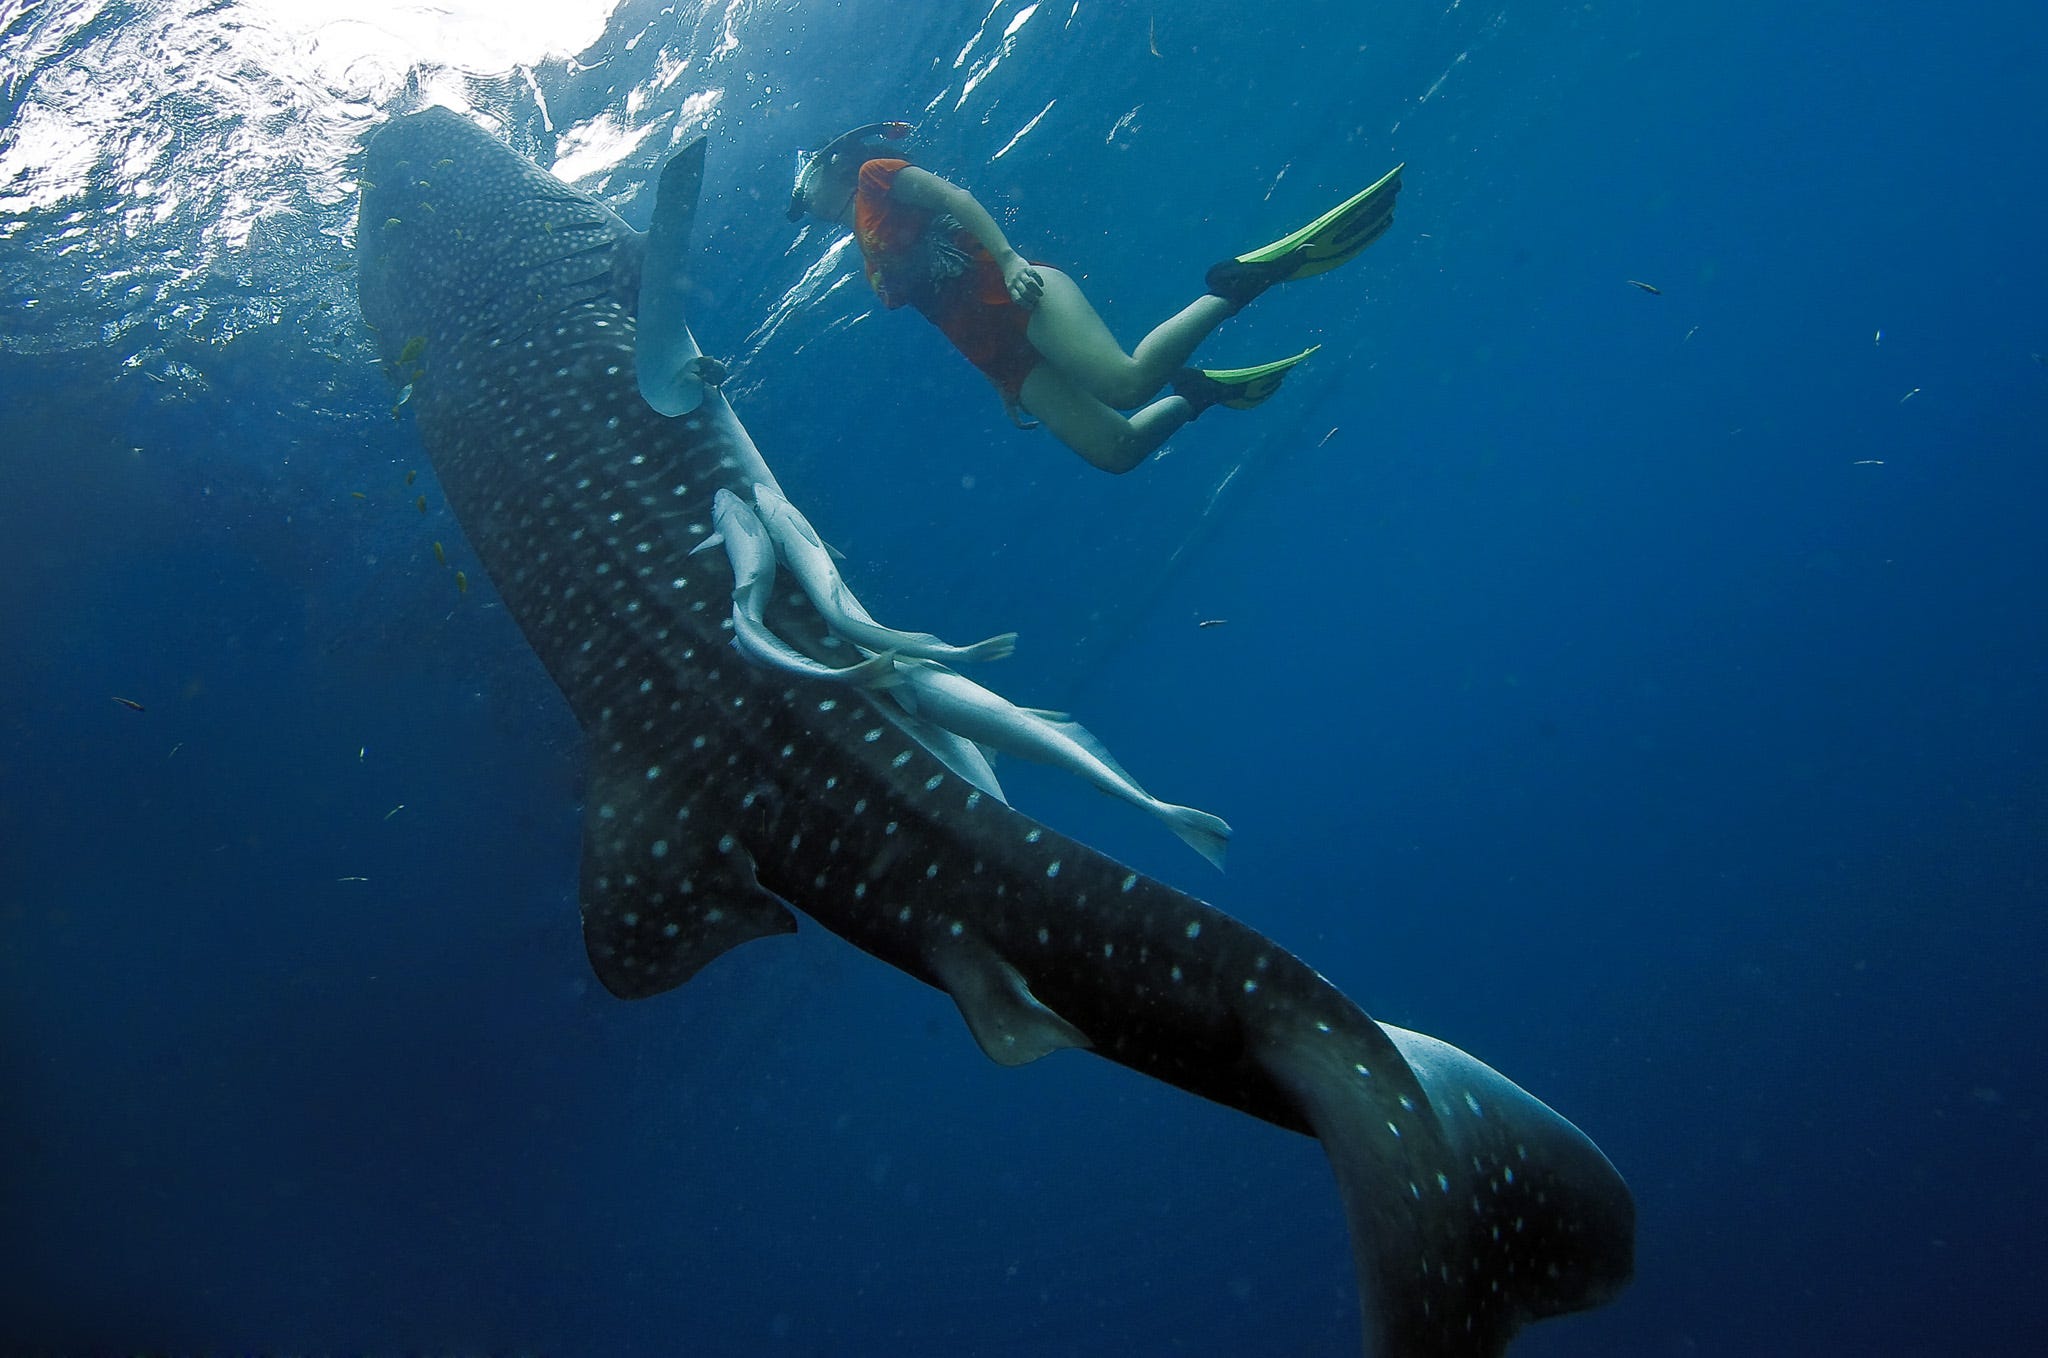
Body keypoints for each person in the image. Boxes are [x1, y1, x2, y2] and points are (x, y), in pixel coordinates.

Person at [786, 121, 1403, 474]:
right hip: (1000, 353)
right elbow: (935, 308)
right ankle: (1201, 392)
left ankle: (1244, 280)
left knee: (1127, 384)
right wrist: (999, 381)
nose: (805, 198)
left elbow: (956, 200)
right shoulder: (863, 246)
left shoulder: (877, 178)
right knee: (1117, 451)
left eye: (807, 181)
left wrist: (1007, 259)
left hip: (1016, 293)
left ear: (836, 166)